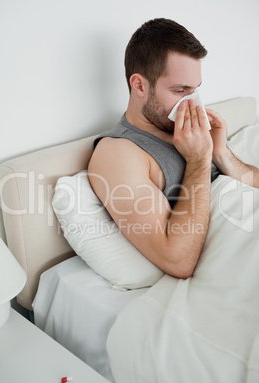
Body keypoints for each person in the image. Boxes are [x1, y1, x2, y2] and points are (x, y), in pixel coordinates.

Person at [88, 18, 259, 279]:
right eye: (180, 90)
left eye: (195, 90)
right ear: (140, 85)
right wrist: (199, 160)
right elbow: (178, 261)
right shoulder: (119, 153)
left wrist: (220, 153)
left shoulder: (191, 134)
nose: (192, 103)